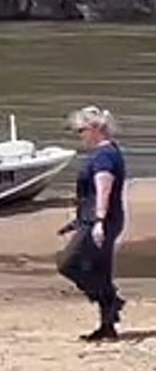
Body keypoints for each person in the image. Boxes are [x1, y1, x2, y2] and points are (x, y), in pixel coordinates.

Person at [58, 105, 127, 342]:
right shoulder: (108, 151)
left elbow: (104, 189)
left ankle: (112, 300)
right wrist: (77, 221)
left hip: (101, 221)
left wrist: (98, 221)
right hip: (100, 219)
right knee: (100, 270)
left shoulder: (104, 156)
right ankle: (107, 326)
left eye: (81, 131)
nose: (79, 136)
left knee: (68, 264)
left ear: (96, 129)